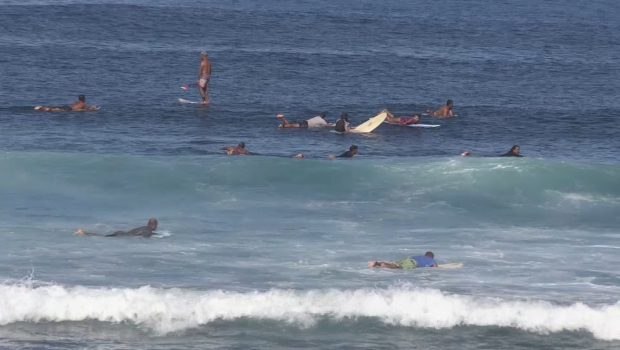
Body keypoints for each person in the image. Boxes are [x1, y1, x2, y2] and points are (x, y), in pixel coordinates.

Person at [74, 218, 158, 238]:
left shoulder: (144, 228)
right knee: (102, 237)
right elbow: (144, 237)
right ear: (154, 225)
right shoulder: (148, 231)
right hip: (122, 236)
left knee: (104, 236)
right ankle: (83, 232)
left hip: (121, 233)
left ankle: (83, 232)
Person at [367, 251, 438, 269]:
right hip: (412, 262)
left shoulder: (420, 256)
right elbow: (435, 267)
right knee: (398, 267)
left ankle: (377, 264)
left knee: (395, 264)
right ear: (431, 257)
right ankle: (381, 264)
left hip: (408, 259)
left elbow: (412, 257)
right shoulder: (431, 260)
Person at [35, 95, 99, 111]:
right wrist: (93, 108)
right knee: (57, 109)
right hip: (69, 109)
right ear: (84, 99)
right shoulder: (83, 104)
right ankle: (47, 109)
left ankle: (41, 107)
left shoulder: (77, 102)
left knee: (57, 108)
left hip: (68, 106)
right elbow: (87, 109)